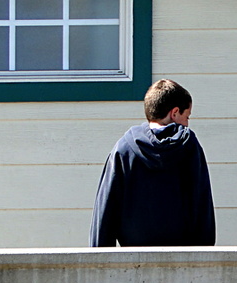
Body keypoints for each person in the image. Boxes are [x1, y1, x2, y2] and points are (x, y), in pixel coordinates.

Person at [90, 79, 215, 246]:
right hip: (182, 258)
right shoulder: (189, 147)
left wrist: (101, 259)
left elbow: (106, 208)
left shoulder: (124, 148)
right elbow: (202, 205)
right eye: (187, 116)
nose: (187, 123)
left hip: (133, 259)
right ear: (175, 112)